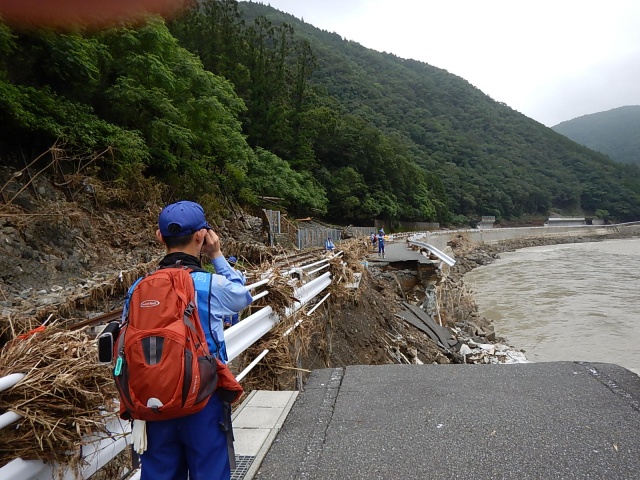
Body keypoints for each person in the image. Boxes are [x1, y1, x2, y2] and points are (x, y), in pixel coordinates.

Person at [142, 200, 252, 480]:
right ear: (202, 236)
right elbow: (242, 297)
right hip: (204, 397)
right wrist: (217, 256)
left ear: (159, 237)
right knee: (210, 473)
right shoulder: (210, 284)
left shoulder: (139, 288)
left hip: (154, 400)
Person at [223, 256, 246, 328]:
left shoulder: (224, 271)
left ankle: (227, 321)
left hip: (226, 291)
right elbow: (243, 281)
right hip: (235, 292)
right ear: (235, 264)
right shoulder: (237, 272)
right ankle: (234, 322)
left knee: (226, 306)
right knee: (235, 307)